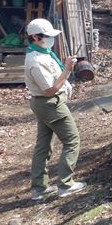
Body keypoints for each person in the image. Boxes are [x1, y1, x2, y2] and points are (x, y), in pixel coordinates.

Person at [24, 19, 86, 200]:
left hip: (45, 104)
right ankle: (66, 184)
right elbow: (49, 89)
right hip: (50, 103)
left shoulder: (44, 53)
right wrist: (67, 70)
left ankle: (39, 188)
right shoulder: (35, 60)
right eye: (48, 37)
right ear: (35, 37)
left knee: (44, 145)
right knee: (72, 140)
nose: (51, 40)